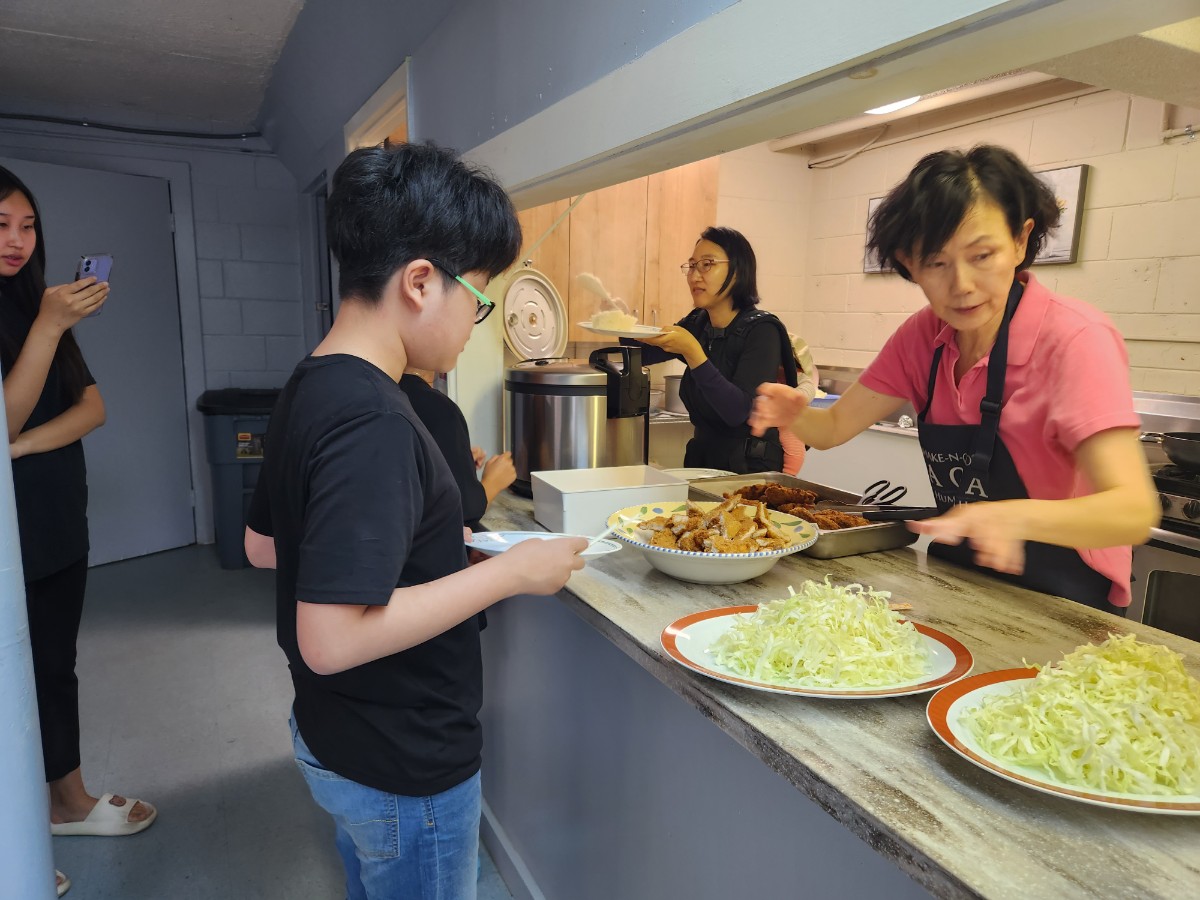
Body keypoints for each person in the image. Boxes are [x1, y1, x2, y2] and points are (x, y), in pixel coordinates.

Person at [243, 142, 586, 900]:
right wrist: (510, 573)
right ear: (421, 282)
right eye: (480, 297)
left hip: (333, 736)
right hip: (401, 760)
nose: (478, 323)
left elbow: (264, 546)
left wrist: (426, 550)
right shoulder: (378, 419)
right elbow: (330, 640)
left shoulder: (309, 383)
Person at [750, 145, 1159, 612]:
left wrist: (1011, 518)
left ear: (1021, 240)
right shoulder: (922, 337)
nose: (961, 284)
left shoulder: (1076, 339)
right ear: (909, 263)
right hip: (962, 578)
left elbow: (1132, 510)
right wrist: (795, 414)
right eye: (936, 263)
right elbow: (833, 428)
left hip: (1067, 598)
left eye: (982, 255)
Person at [1, 165, 155, 897]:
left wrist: (24, 447)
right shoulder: (44, 316)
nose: (17, 241)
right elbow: (3, 412)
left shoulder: (39, 303)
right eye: (1, 226)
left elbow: (91, 408)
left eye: (28, 226)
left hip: (57, 518)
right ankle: (15, 844)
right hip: (8, 535)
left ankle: (66, 802)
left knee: (54, 667)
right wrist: (48, 326)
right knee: (12, 681)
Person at [628, 226, 807, 474]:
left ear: (738, 270)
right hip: (703, 460)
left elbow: (738, 412)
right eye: (692, 266)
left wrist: (693, 353)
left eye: (707, 264)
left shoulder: (763, 331)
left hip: (748, 468)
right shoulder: (698, 322)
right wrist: (619, 322)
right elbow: (644, 354)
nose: (694, 276)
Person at [398, 367, 515, 532]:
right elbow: (462, 514)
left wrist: (458, 460)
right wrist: (493, 482)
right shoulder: (438, 408)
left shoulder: (388, 391)